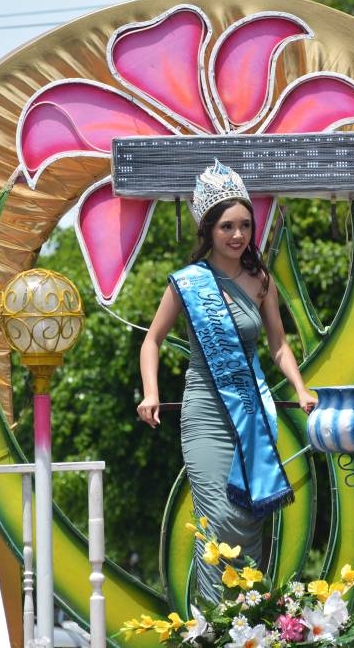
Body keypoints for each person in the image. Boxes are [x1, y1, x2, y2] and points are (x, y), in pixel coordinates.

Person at [137, 159, 318, 603]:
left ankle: (247, 618)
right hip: (204, 413)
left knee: (247, 515)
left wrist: (300, 388)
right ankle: (214, 626)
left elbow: (278, 346)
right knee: (216, 518)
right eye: (226, 228)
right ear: (209, 231)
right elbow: (152, 341)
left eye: (244, 226)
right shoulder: (188, 284)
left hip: (250, 411)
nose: (237, 236)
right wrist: (152, 393)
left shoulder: (261, 281)